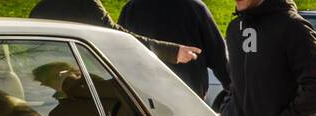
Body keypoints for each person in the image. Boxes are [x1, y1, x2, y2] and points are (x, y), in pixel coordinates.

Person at [29, 0, 200, 71]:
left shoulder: (39, 9)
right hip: (66, 80)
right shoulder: (82, 2)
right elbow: (114, 36)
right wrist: (172, 51)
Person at [118, 0, 229, 101]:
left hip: (142, 97)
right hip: (188, 96)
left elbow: (119, 50)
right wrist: (233, 89)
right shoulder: (194, 6)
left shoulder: (131, 8)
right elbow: (219, 58)